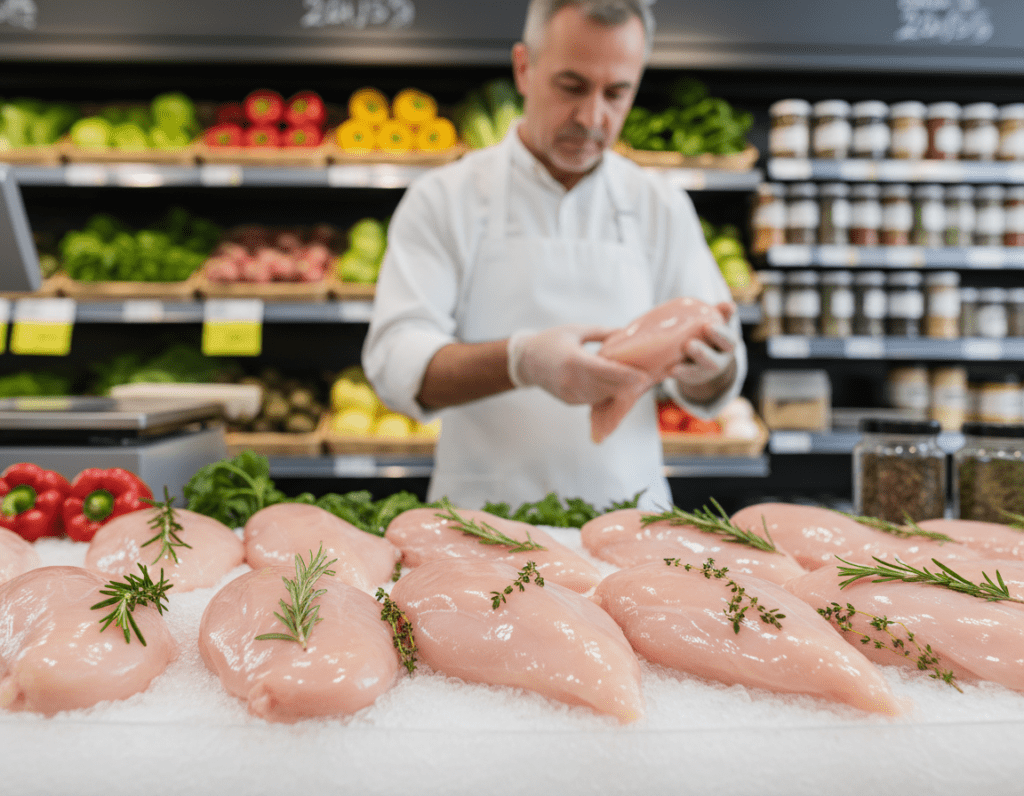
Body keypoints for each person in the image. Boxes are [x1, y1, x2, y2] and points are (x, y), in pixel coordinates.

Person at [362, 0, 746, 511]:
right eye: (571, 87)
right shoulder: (445, 197)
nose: (592, 118)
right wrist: (522, 361)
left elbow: (720, 374)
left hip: (630, 520)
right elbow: (395, 362)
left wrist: (708, 369)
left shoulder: (660, 205)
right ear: (524, 69)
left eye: (616, 93)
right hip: (482, 525)